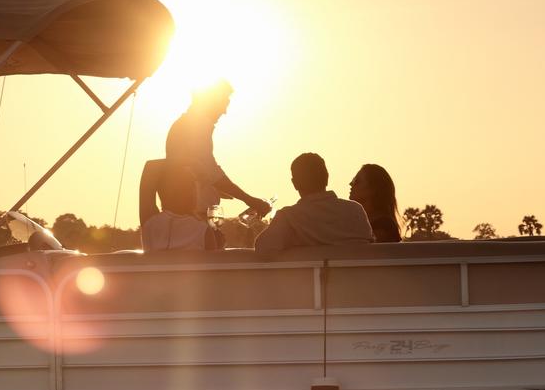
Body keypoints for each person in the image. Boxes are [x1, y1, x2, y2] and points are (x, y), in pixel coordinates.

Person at [165, 80, 270, 224]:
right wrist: (250, 200)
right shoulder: (195, 128)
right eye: (223, 104)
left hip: (190, 215)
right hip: (193, 218)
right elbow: (211, 173)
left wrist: (218, 188)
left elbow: (200, 171)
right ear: (211, 102)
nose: (224, 112)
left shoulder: (186, 124)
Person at [255, 153, 374, 258]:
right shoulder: (355, 210)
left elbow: (263, 249)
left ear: (295, 183)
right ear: (327, 177)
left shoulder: (289, 217)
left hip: (309, 282)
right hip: (356, 282)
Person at [141, 161, 219, 254]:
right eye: (193, 185)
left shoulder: (150, 224)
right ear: (190, 193)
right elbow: (214, 266)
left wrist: (184, 160)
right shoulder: (203, 231)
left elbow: (150, 167)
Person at [349, 164, 402, 243]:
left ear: (373, 189)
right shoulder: (359, 221)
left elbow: (368, 251)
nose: (350, 183)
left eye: (356, 181)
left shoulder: (383, 227)